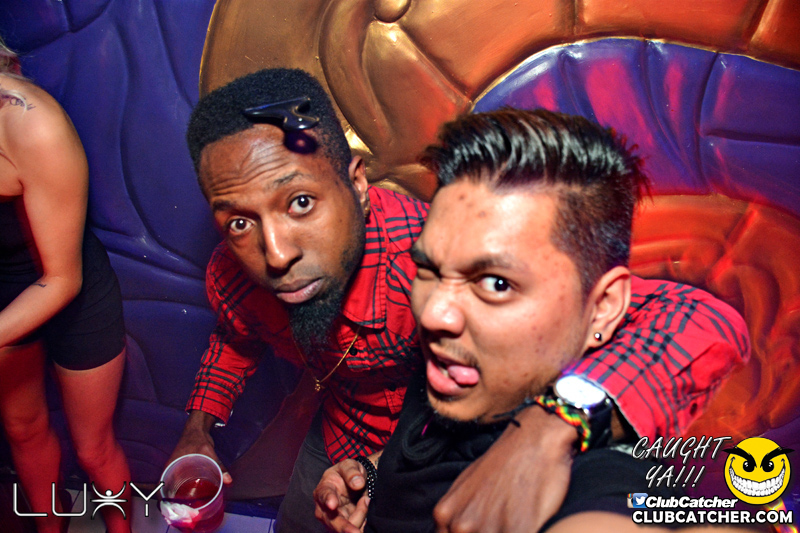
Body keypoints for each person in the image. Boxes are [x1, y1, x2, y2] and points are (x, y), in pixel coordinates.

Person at [176, 68, 749, 533]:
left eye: (300, 202)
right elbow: (237, 337)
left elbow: (697, 320)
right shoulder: (234, 275)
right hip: (348, 449)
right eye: (240, 222)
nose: (276, 254)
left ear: (357, 182)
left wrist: (553, 428)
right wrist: (198, 428)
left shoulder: (427, 250)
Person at [313, 109, 752, 533]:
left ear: (602, 307)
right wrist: (374, 476)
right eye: (428, 269)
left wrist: (555, 424)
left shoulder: (592, 476)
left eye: (497, 283)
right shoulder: (466, 365)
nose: (433, 315)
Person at [0, 40, 130, 533]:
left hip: (70, 289)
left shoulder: (32, 123)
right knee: (23, 430)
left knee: (93, 450)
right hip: (6, 289)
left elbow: (61, 279)